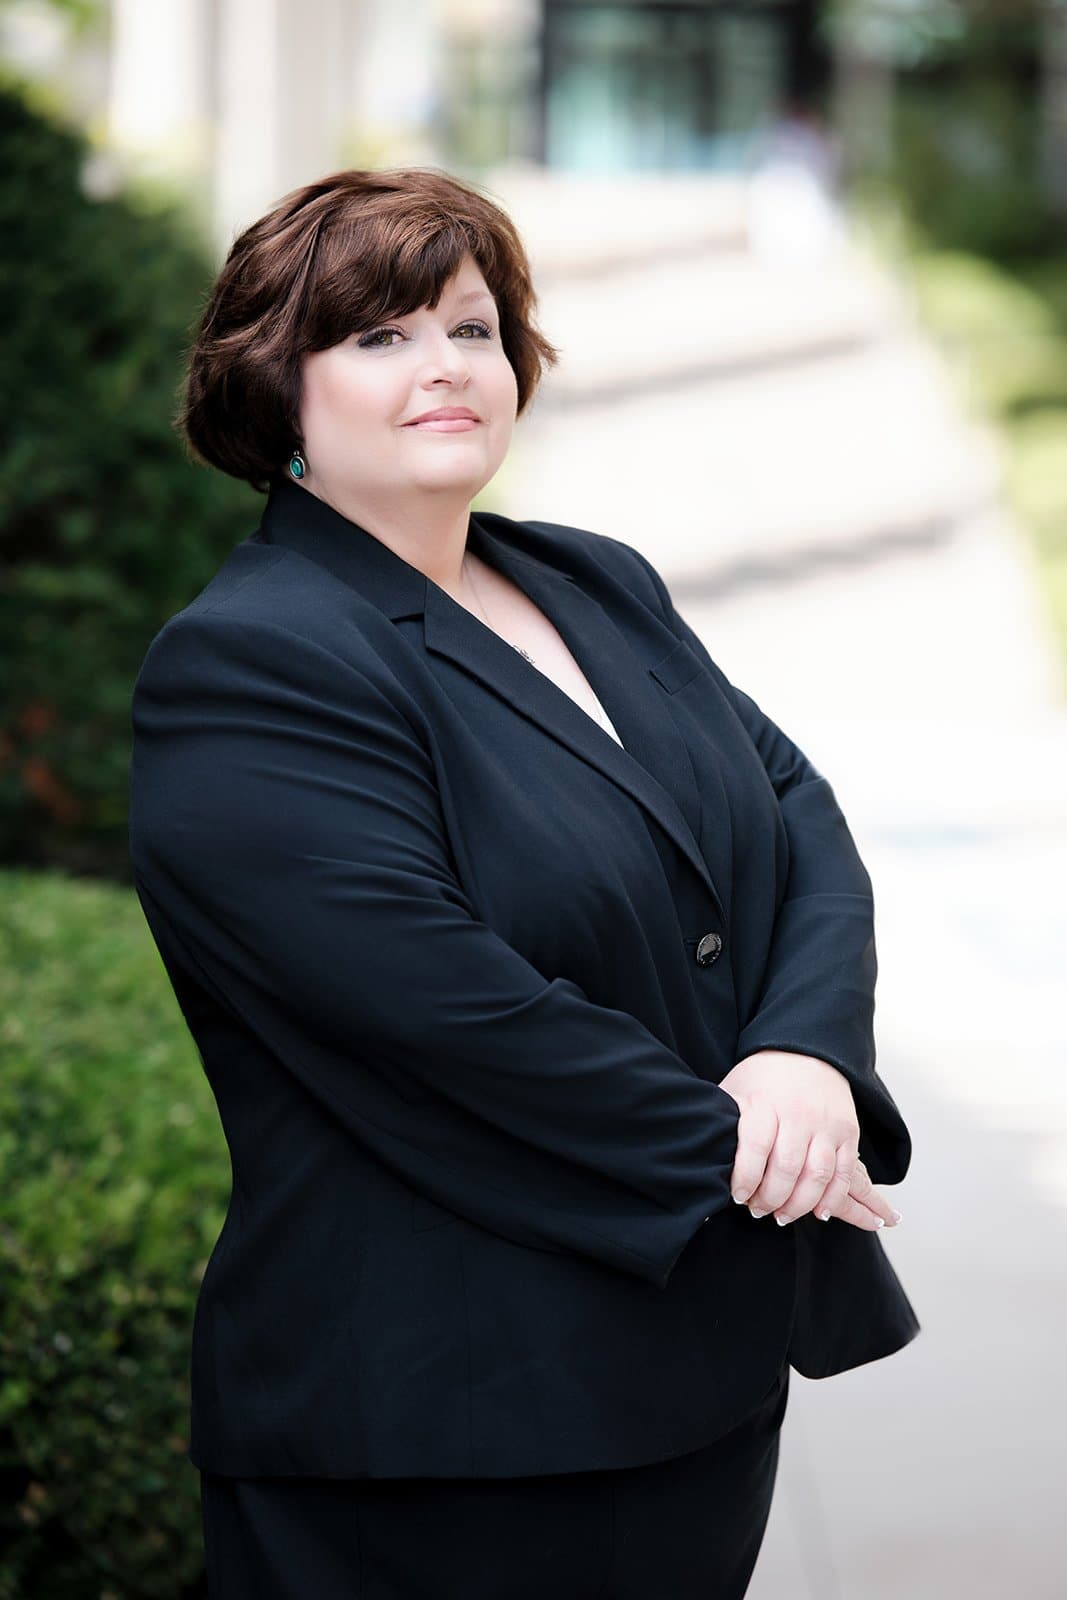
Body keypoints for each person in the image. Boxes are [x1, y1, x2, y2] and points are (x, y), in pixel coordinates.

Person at [127, 166, 919, 1599]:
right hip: (444, 1427)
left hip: (690, 1391)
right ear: (275, 389)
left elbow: (796, 818)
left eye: (472, 328)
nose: (445, 368)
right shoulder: (254, 658)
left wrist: (805, 1055)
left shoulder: (593, 581)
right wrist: (753, 1158)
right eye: (377, 337)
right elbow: (440, 1011)